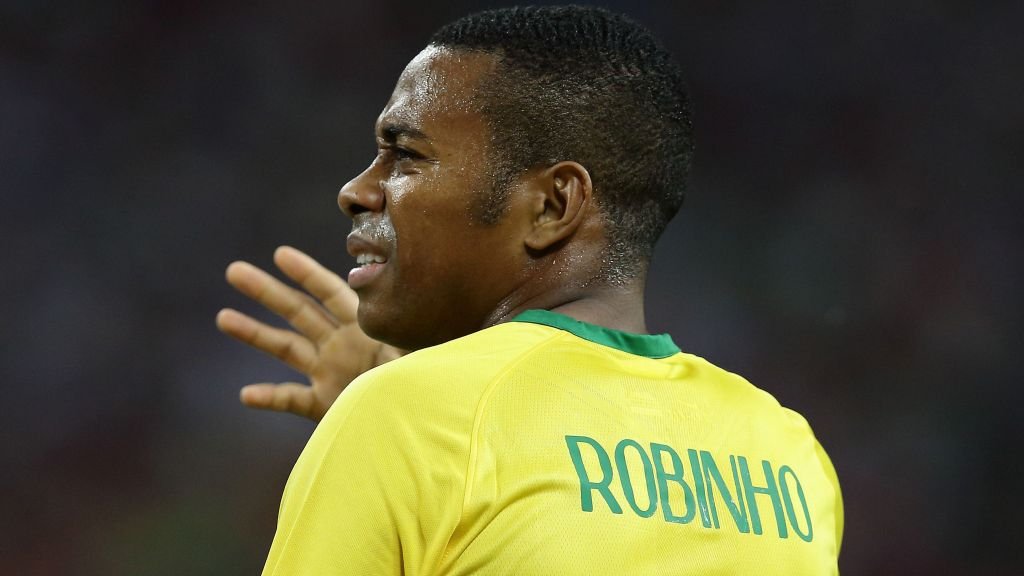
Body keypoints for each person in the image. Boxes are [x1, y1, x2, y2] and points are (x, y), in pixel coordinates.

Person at [217, 6, 843, 575]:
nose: (356, 190)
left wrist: (400, 428)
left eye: (405, 156)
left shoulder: (406, 420)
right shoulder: (789, 454)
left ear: (552, 205)